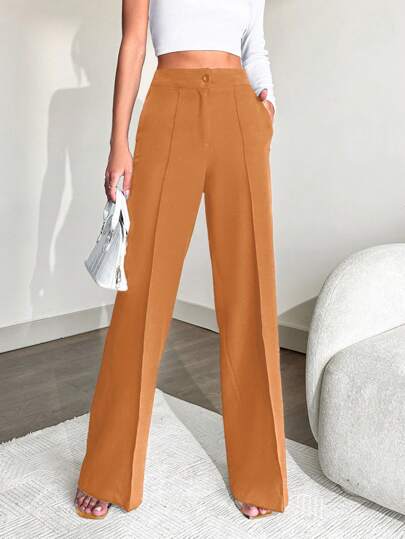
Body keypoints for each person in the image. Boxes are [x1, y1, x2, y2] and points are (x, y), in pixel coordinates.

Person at [74, 0, 288, 521]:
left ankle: (260, 476)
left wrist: (267, 106)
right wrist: (118, 142)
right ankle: (108, 471)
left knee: (250, 294)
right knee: (141, 292)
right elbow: (133, 44)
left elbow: (254, 48)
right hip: (170, 104)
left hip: (239, 111)